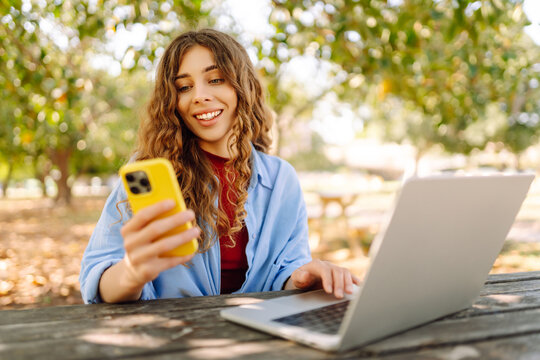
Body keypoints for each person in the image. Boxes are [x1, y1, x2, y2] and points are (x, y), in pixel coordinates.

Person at [79, 29, 360, 304]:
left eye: (215, 80)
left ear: (242, 87)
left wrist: (302, 276)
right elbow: (98, 278)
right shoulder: (146, 174)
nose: (199, 95)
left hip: (258, 335)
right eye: (184, 87)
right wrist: (132, 272)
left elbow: (286, 269)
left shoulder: (281, 179)